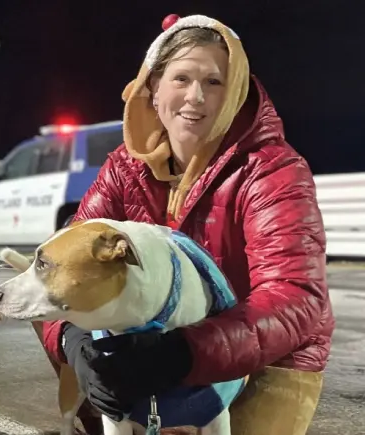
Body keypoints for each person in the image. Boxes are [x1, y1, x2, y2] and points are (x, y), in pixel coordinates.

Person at [40, 14, 333, 435]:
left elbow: (294, 299)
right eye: (181, 79)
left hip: (267, 355)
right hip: (156, 339)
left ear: (235, 93)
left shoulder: (273, 170)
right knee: (60, 312)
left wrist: (180, 355)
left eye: (214, 82)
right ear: (153, 90)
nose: (195, 97)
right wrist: (74, 343)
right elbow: (61, 265)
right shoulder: (124, 169)